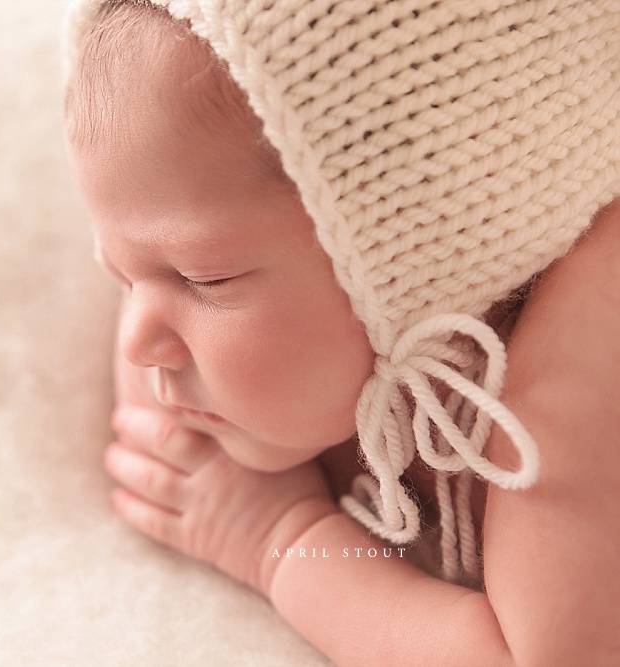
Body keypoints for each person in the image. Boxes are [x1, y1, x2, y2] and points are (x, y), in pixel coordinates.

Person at [64, 1, 620, 664]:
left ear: (424, 240)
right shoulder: (222, 257)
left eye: (201, 280)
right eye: (121, 274)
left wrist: (283, 540)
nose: (136, 342)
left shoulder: (581, 351)